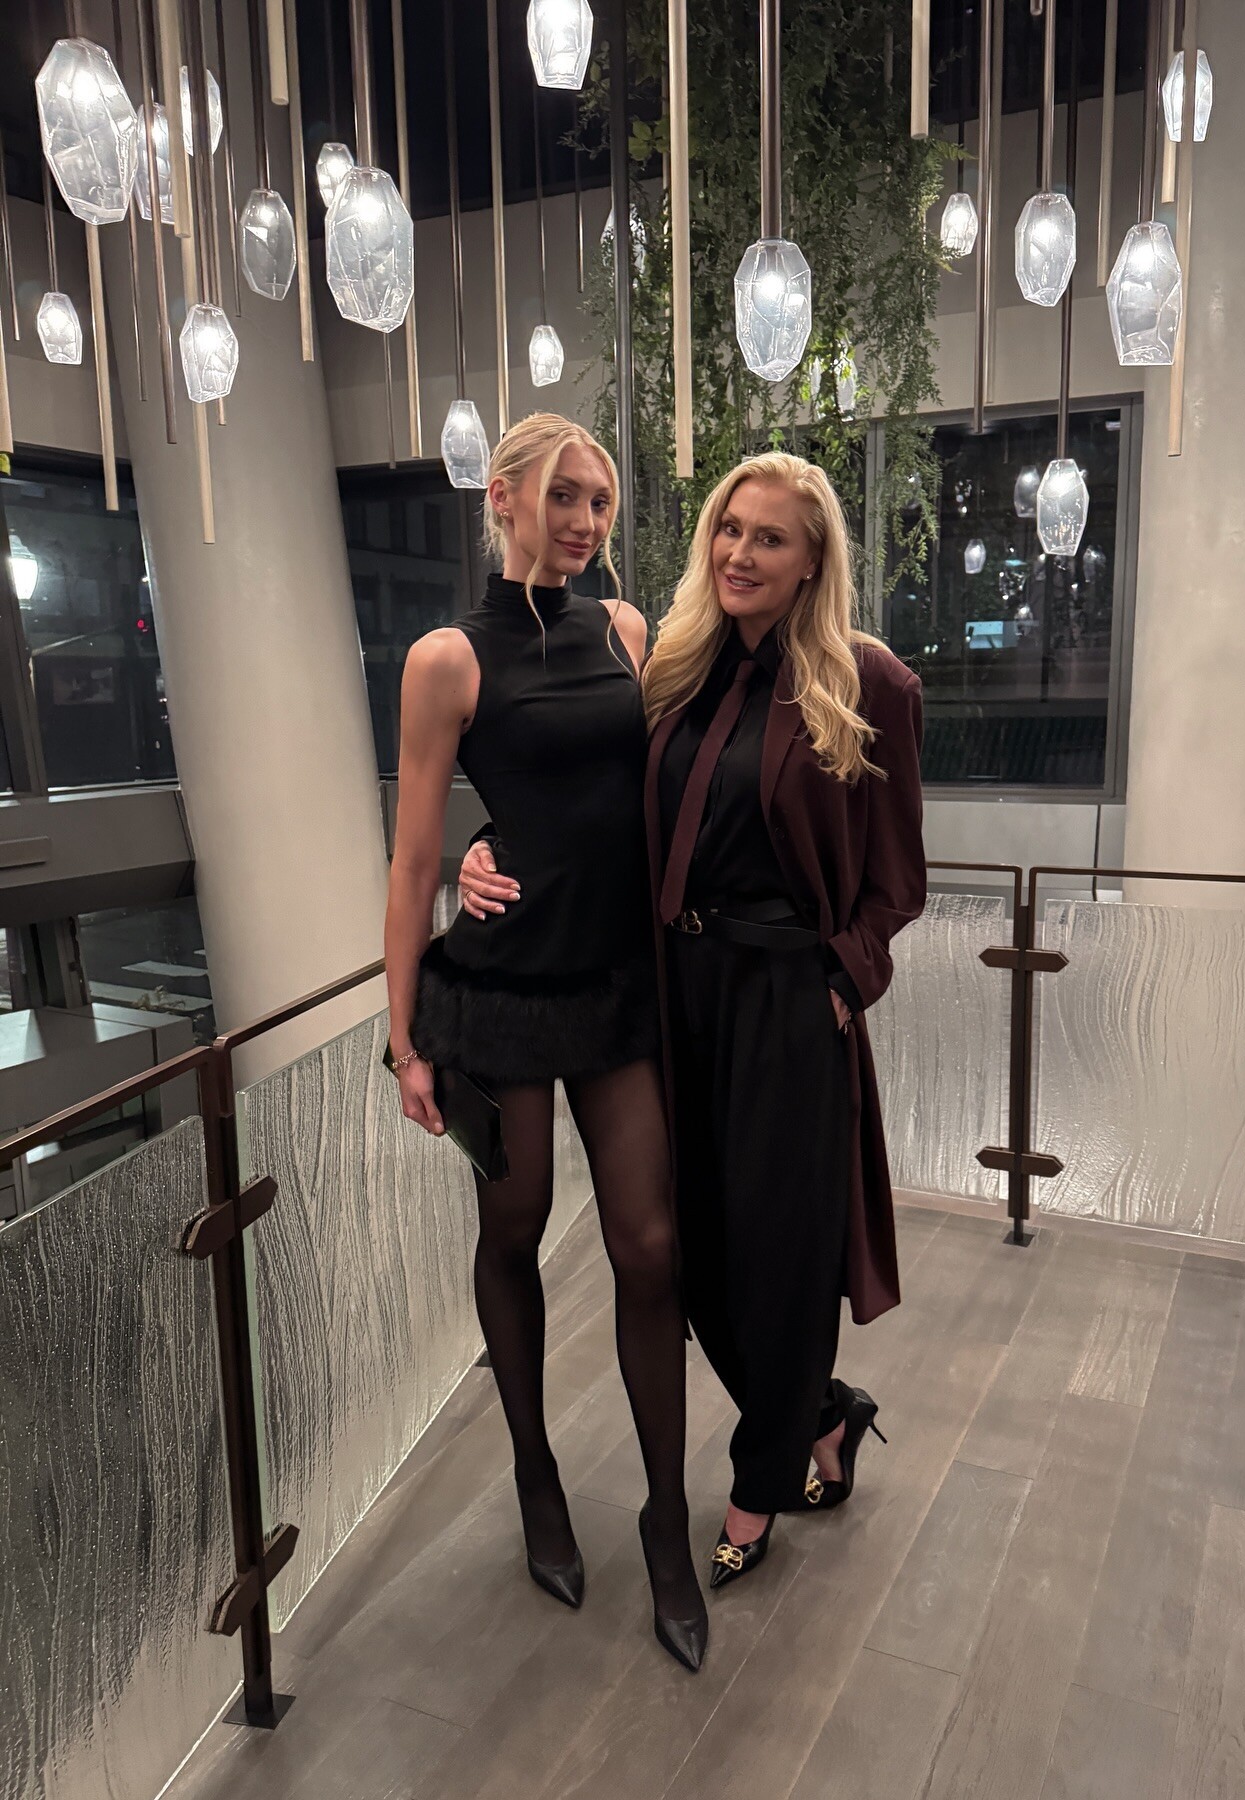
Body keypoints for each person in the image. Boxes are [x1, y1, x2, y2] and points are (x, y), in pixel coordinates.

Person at [460, 450, 926, 1589]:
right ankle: (823, 1412)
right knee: (692, 1254)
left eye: (770, 538)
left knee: (782, 1256)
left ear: (812, 561)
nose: (740, 553)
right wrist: (487, 846)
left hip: (787, 1001)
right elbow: (584, 800)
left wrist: (843, 977)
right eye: (729, 529)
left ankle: (760, 1482)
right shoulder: (675, 668)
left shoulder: (868, 681)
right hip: (675, 993)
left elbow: (899, 880)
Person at [384, 412, 707, 1672]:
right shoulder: (445, 659)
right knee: (512, 1228)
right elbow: (415, 857)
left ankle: (667, 1520)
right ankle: (534, 1474)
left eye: (601, 502)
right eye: (565, 496)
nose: (585, 521)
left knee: (649, 1246)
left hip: (615, 978)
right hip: (506, 988)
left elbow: (648, 789)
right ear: (504, 498)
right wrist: (404, 1039)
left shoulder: (624, 629)